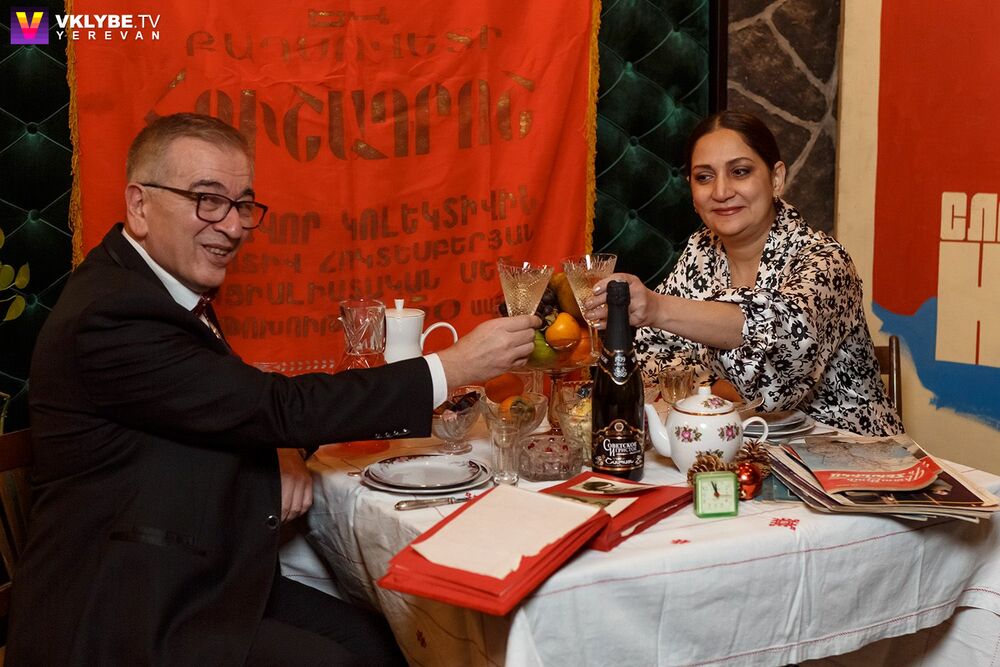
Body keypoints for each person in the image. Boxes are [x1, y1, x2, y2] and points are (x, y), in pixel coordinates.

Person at [6, 113, 539, 666]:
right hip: (124, 607)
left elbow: (233, 403)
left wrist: (277, 442)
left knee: (385, 641)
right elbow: (272, 405)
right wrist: (453, 366)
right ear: (139, 205)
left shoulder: (154, 286)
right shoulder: (114, 314)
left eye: (242, 205)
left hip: (197, 572)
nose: (232, 226)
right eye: (207, 200)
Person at [583, 111, 903, 437]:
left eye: (740, 172)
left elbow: (785, 347)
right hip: (739, 447)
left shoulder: (827, 261)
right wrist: (715, 386)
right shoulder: (701, 253)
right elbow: (653, 357)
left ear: (776, 178)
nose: (721, 191)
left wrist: (656, 308)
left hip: (853, 454)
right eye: (704, 177)